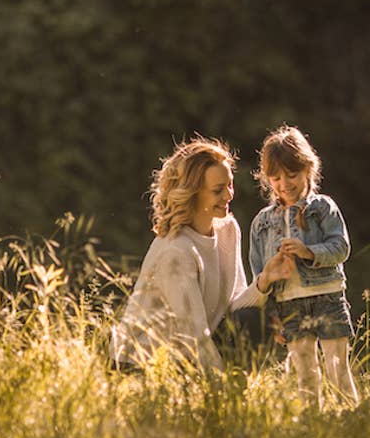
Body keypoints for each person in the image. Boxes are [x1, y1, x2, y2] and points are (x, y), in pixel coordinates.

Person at [109, 137, 281, 372]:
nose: (229, 195)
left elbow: (236, 309)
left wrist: (264, 282)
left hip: (189, 352)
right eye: (218, 190)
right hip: (142, 363)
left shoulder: (228, 229)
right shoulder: (176, 251)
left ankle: (232, 390)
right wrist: (220, 393)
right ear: (193, 194)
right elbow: (194, 336)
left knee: (256, 321)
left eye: (230, 184)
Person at [249, 125, 360, 407]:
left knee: (338, 367)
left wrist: (309, 251)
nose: (285, 184)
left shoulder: (322, 208)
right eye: (275, 178)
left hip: (327, 297)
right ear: (267, 179)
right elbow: (258, 273)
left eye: (292, 174)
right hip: (289, 304)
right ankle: (314, 428)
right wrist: (272, 312)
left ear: (308, 169)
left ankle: (353, 419)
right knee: (305, 373)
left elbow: (341, 248)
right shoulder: (262, 222)